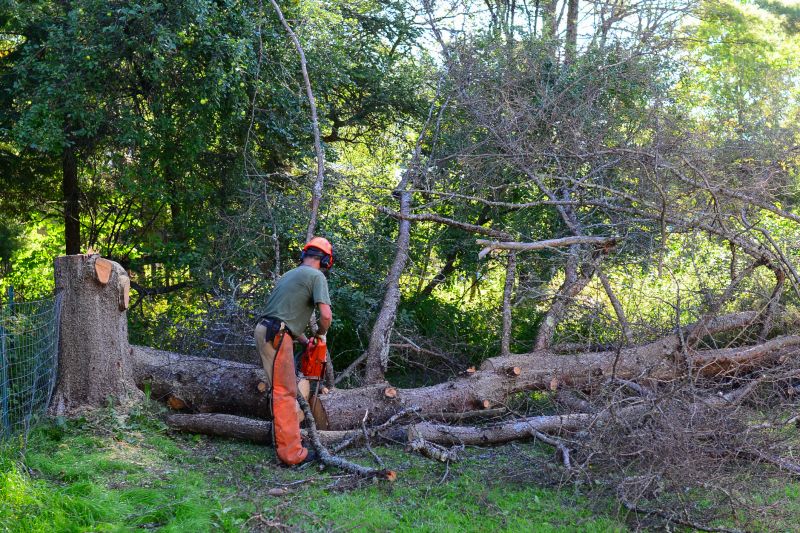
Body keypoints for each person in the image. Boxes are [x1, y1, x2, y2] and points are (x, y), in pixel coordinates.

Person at [254, 237, 333, 465]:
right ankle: (292, 455)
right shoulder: (317, 276)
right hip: (278, 334)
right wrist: (320, 334)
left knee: (278, 390)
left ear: (305, 255)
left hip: (265, 330)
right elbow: (325, 316)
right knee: (286, 394)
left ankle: (280, 442)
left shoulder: (289, 275)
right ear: (326, 260)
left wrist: (305, 340)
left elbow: (283, 314)